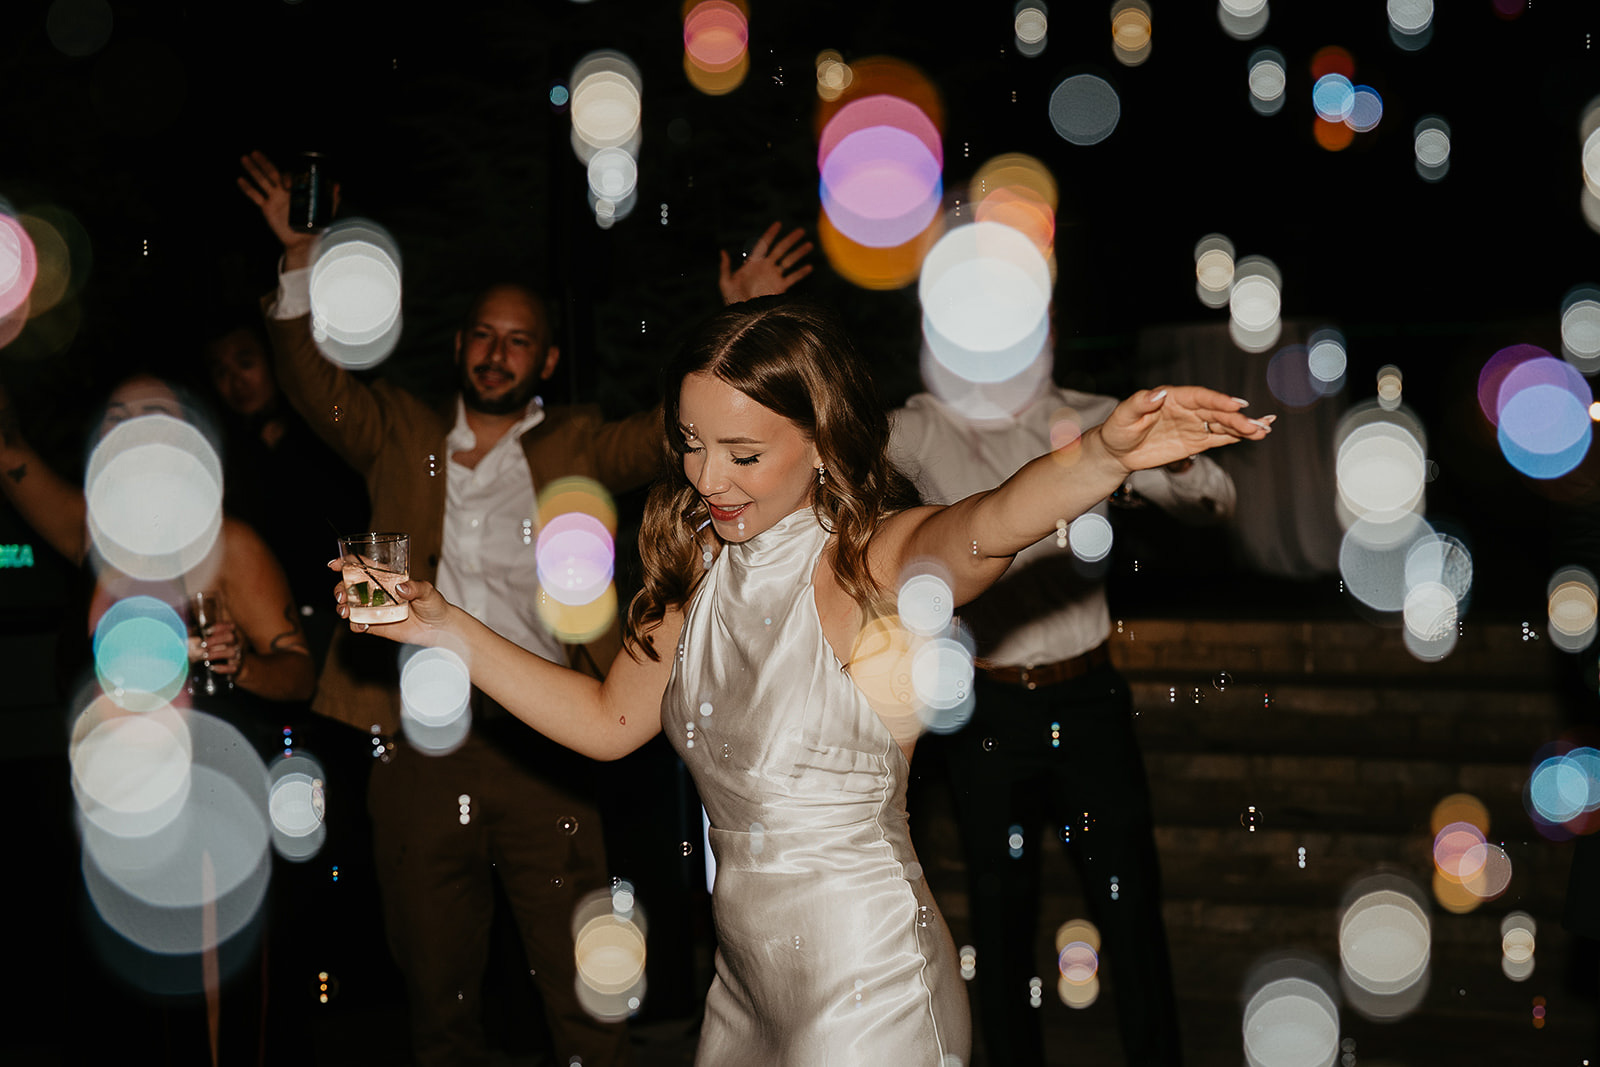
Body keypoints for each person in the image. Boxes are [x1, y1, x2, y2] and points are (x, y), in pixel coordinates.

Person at [330, 297, 1274, 1065]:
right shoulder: (697, 564)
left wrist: (1102, 456)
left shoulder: (876, 560)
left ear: (823, 441)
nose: (709, 478)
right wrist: (441, 624)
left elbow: (991, 522)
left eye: (744, 455)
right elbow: (607, 719)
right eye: (692, 444)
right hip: (742, 991)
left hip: (869, 989)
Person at [237, 151, 812, 1067]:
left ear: (542, 359)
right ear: (459, 344)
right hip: (416, 744)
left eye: (516, 340)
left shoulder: (577, 439)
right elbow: (313, 385)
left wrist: (735, 317)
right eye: (481, 335)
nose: (494, 352)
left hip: (547, 741)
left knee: (584, 990)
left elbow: (686, 434)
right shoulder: (401, 431)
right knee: (439, 993)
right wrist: (304, 256)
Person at [891, 363, 1236, 1065]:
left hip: (1087, 701)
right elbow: (815, 464)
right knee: (1000, 915)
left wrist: (1186, 454)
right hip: (985, 710)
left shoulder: (1096, 411)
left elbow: (1214, 504)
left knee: (1131, 908)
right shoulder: (919, 427)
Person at [201, 317, 371, 663]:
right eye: (221, 372)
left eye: (246, 363)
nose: (236, 381)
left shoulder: (325, 431)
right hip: (262, 629)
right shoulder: (223, 453)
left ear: (274, 360)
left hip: (338, 622)